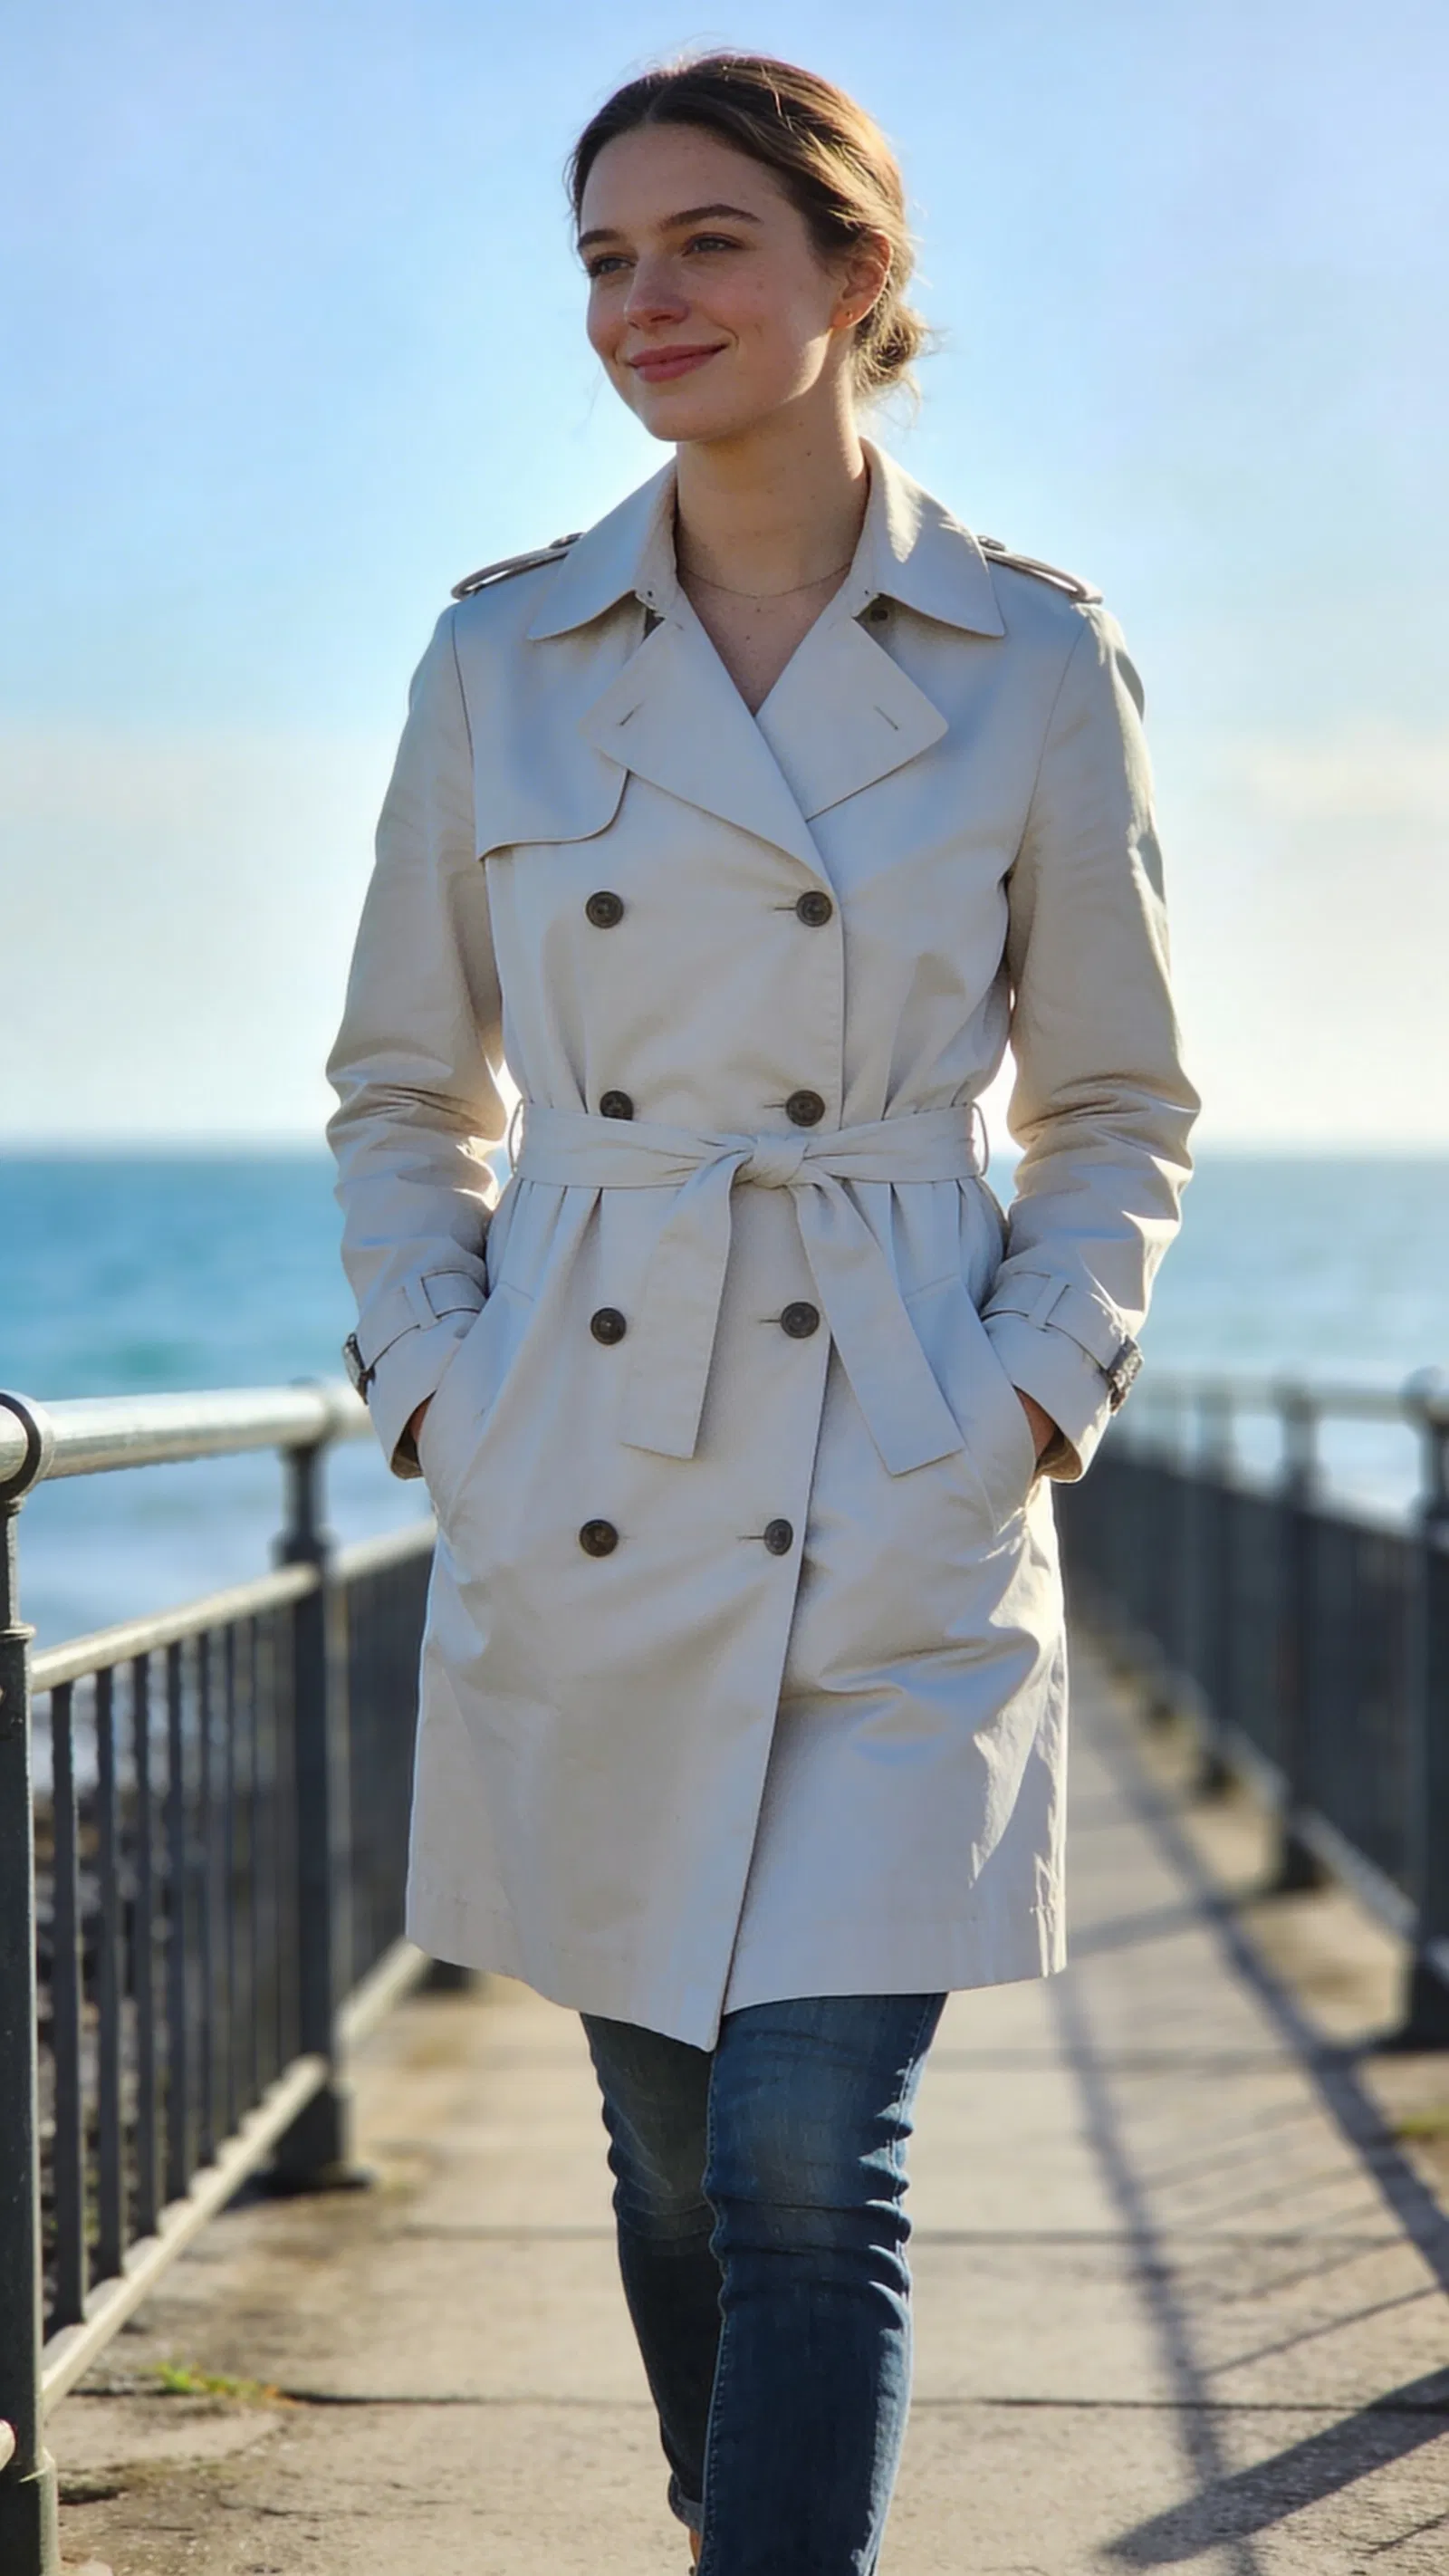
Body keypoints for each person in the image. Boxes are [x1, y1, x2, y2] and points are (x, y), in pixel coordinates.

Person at [326, 49, 1198, 2575]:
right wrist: (438, 1381)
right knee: (680, 2149)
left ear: (853, 274)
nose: (645, 301)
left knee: (818, 2147)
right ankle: (749, 2506)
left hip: (900, 1453)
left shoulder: (1032, 653)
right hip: (584, 1462)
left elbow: (1121, 1098)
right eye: (606, 257)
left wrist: (1032, 1386)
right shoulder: (501, 650)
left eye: (704, 241)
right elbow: (405, 1081)